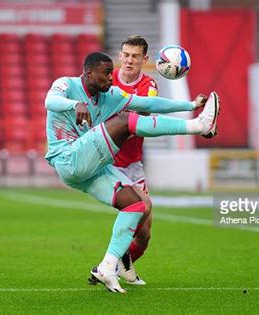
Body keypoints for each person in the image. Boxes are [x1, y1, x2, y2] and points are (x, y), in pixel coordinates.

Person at [45, 51, 219, 293]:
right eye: (106, 73)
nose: (110, 78)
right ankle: (199, 126)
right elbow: (50, 101)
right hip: (68, 157)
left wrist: (190, 105)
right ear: (88, 73)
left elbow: (149, 103)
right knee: (126, 122)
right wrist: (76, 104)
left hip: (90, 168)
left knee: (136, 205)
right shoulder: (66, 84)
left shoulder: (110, 97)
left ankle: (107, 267)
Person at [108, 36, 157, 286]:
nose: (129, 60)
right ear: (120, 55)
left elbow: (145, 110)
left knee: (146, 233)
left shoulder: (149, 85)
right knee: (143, 206)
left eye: (135, 56)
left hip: (133, 163)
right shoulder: (107, 80)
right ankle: (111, 263)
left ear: (144, 60)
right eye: (126, 54)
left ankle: (123, 260)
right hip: (109, 163)